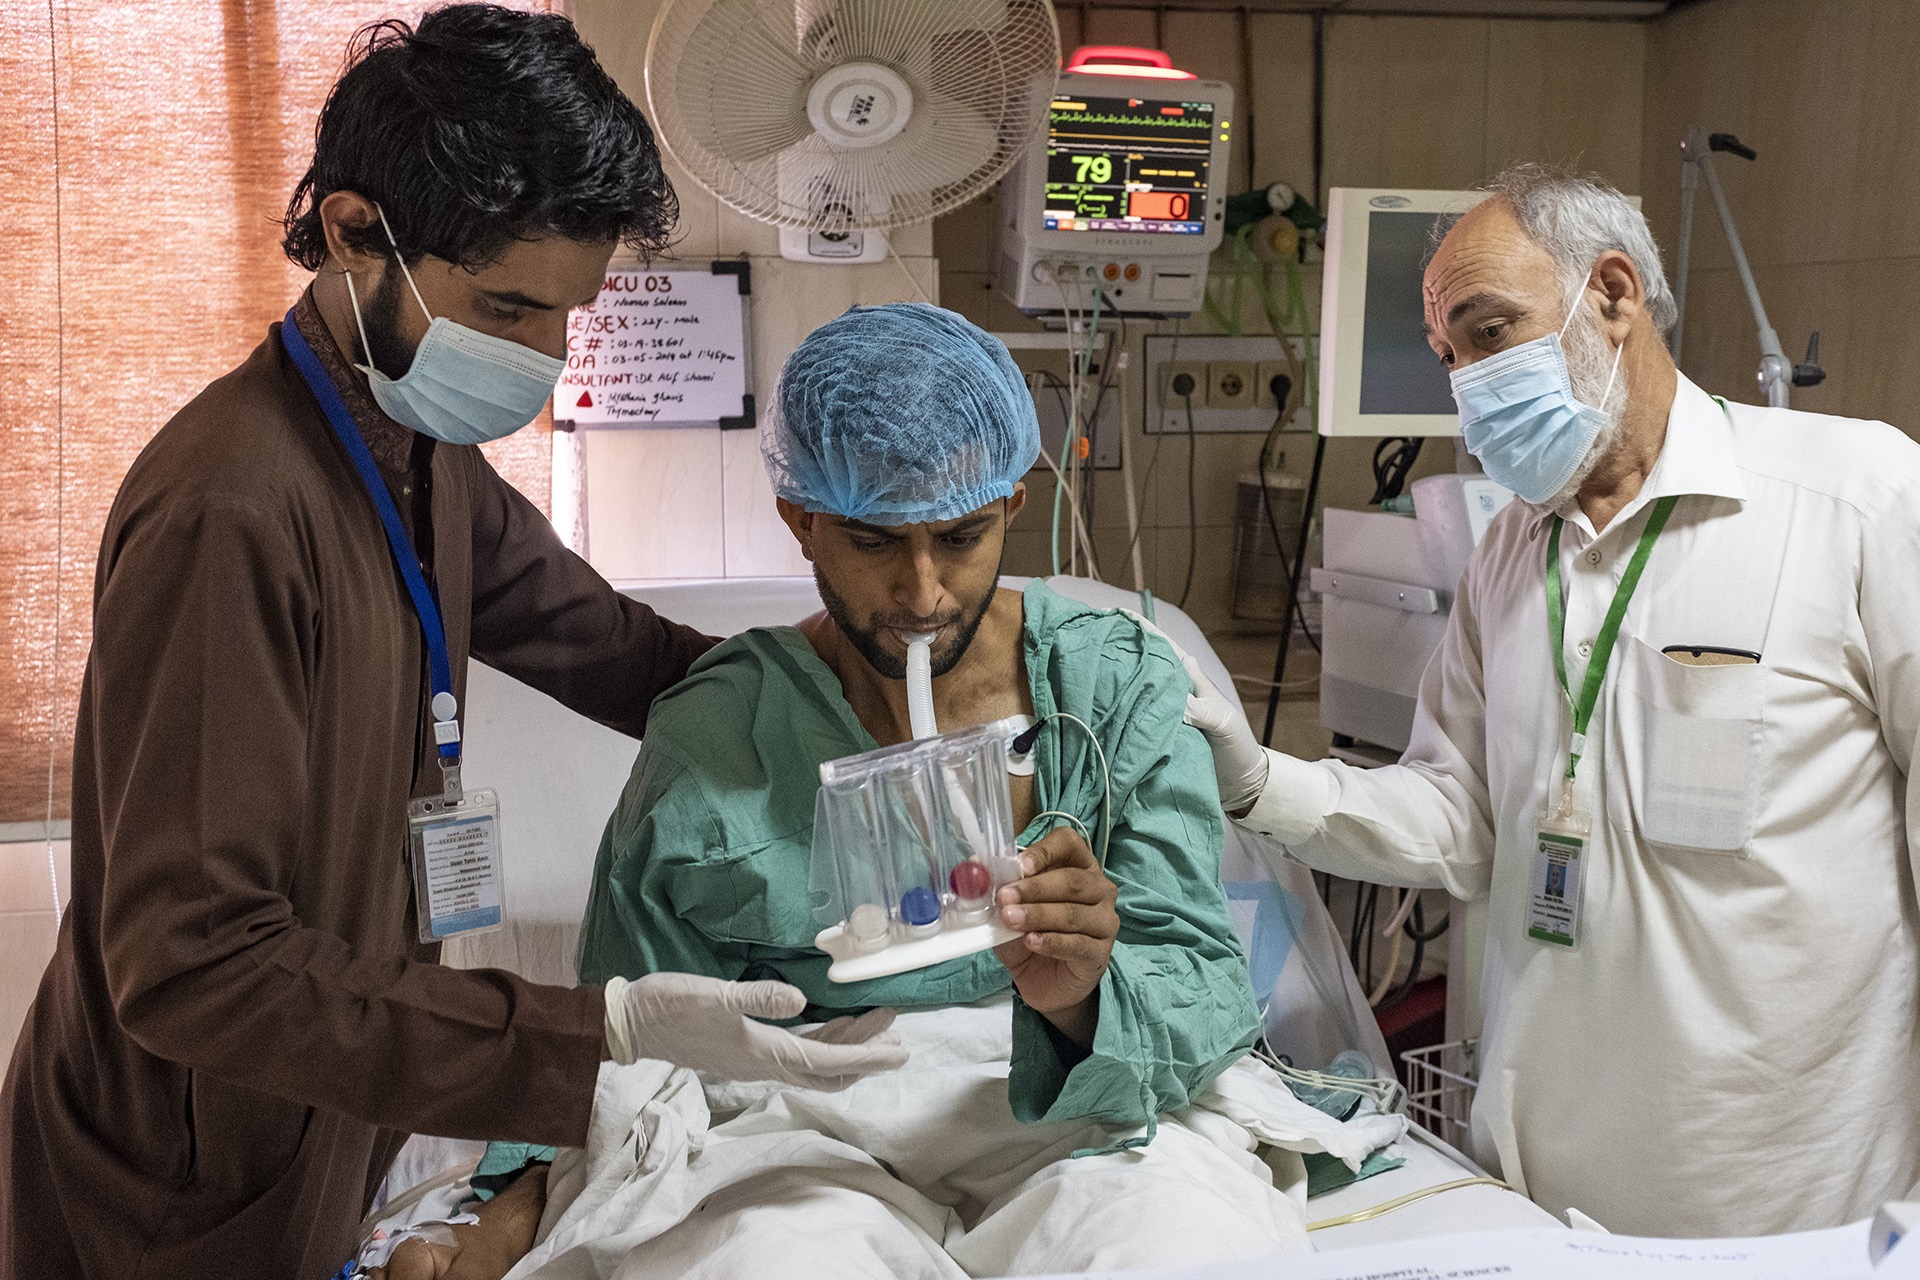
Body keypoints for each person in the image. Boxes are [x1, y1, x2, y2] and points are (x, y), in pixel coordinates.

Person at [0, 11, 903, 1278]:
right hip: (176, 1173)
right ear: (360, 232)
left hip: (321, 1115)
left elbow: (623, 653)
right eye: (508, 308)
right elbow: (192, 964)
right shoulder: (234, 509)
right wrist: (604, 1030)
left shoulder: (421, 456)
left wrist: (871, 683)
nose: (545, 359)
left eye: (569, 316)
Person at [403, 303, 1355, 1280]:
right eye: (873, 541)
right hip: (796, 1127)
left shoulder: (1115, 689)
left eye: (961, 534)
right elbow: (624, 1027)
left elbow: (1202, 987)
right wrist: (507, 1215)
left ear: (1014, 504)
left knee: (1174, 1253)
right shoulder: (719, 728)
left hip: (1087, 1113)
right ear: (800, 518)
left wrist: (1080, 1002)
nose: (924, 591)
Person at [1182, 163, 1920, 1237]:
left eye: (1490, 333)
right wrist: (1262, 785)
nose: (1469, 383)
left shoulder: (1855, 502)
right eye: (1449, 356)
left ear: (1613, 294)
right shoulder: (1510, 549)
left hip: (1783, 1189)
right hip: (1537, 1176)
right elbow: (1459, 817)